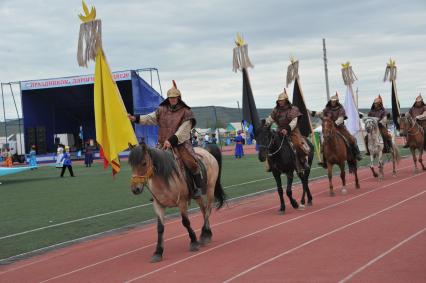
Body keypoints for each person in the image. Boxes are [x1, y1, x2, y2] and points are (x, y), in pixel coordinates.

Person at [128, 81, 201, 199]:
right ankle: (158, 191)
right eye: (170, 97)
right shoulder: (161, 110)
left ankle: (196, 187)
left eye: (174, 97)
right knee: (151, 164)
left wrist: (171, 141)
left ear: (179, 98)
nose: (172, 99)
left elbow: (183, 130)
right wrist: (135, 118)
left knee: (191, 163)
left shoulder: (186, 112)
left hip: (180, 144)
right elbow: (150, 118)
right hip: (162, 144)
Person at [264, 89, 310, 173]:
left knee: (297, 144)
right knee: (269, 144)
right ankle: (271, 164)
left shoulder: (293, 109)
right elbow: (271, 118)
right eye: (279, 101)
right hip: (279, 131)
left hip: (292, 131)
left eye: (282, 100)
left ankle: (303, 161)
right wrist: (266, 123)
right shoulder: (276, 110)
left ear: (286, 100)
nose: (280, 102)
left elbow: (294, 121)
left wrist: (287, 129)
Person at [313, 92, 362, 167]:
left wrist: (334, 124)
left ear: (337, 101)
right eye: (332, 101)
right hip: (330, 129)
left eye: (334, 101)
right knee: (324, 143)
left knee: (352, 139)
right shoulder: (327, 109)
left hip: (340, 128)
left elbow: (341, 118)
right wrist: (312, 112)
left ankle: (357, 154)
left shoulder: (341, 109)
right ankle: (324, 161)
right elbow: (321, 113)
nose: (333, 102)